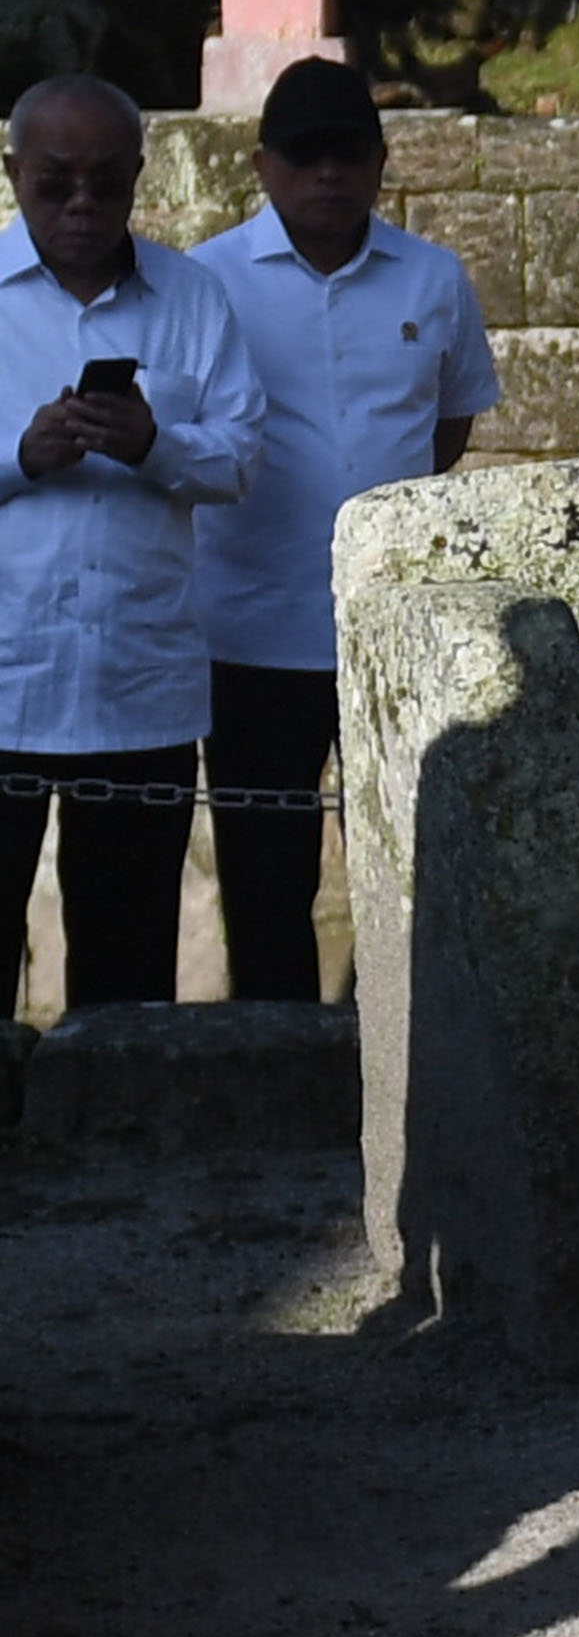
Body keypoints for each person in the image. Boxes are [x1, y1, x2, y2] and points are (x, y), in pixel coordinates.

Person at [188, 56, 498, 1002]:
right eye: (305, 154)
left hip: (390, 631)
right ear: (262, 165)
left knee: (406, 862)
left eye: (348, 153)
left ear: (380, 160)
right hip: (248, 628)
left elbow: (450, 423)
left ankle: (398, 1053)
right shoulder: (208, 282)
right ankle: (276, 1054)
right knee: (265, 870)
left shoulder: (432, 278)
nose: (328, 173)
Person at [0, 75, 265, 1009]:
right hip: (7, 677)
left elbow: (238, 460)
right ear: (12, 173)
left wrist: (155, 444)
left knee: (127, 971)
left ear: (138, 177)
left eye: (105, 182)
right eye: (55, 181)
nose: (81, 204)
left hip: (136, 685)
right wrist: (20, 456)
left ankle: (113, 1146)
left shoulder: (191, 298)